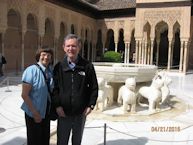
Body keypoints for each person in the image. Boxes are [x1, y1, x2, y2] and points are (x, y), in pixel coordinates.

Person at [53, 34, 98, 145]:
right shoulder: (59, 67)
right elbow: (54, 88)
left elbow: (94, 87)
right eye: (68, 46)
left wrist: (90, 105)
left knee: (76, 141)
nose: (70, 49)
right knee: (62, 141)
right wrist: (57, 106)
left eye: (73, 46)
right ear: (64, 47)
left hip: (80, 113)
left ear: (79, 47)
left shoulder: (87, 66)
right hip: (63, 113)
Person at [21, 48, 54, 145]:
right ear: (38, 56)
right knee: (34, 141)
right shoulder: (31, 70)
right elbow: (24, 95)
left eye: (49, 55)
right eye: (43, 54)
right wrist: (35, 113)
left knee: (44, 140)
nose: (46, 57)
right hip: (33, 114)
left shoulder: (50, 71)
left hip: (45, 113)